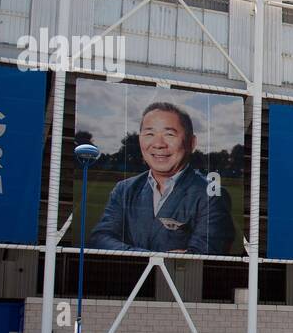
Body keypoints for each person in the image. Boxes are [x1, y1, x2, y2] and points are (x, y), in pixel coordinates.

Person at [88, 101, 235, 254]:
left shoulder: (211, 195)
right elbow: (100, 238)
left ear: (191, 142)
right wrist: (153, 257)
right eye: (149, 134)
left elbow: (205, 253)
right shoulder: (124, 189)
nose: (158, 144)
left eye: (169, 134)